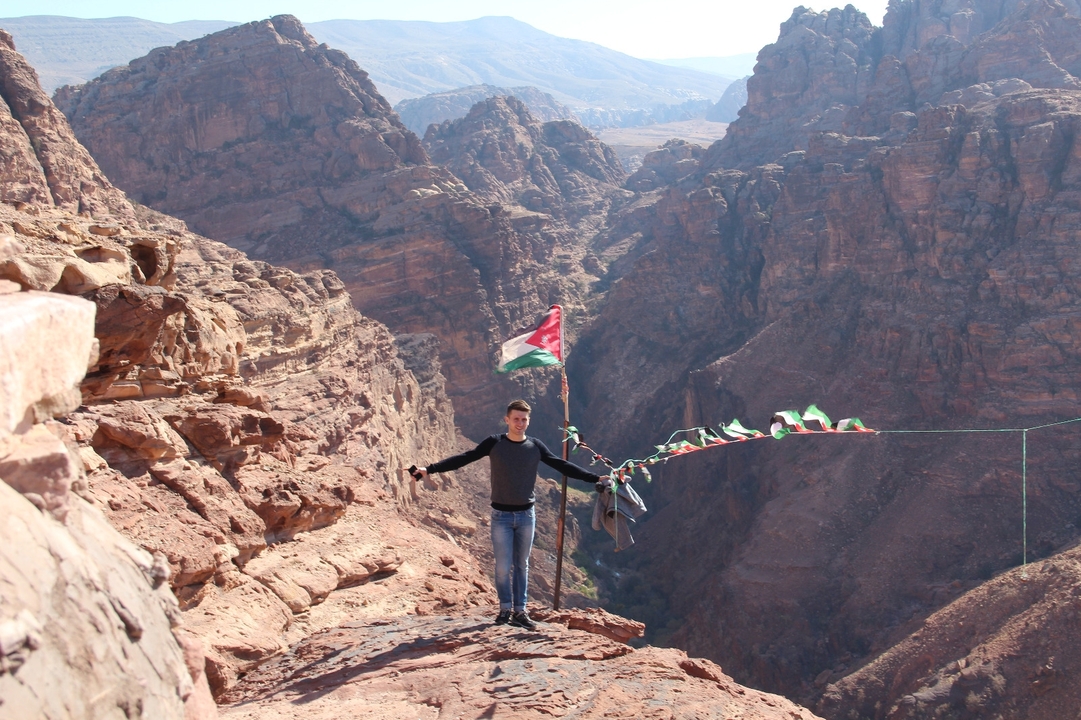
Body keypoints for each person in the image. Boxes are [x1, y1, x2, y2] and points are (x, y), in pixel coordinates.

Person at [414, 399, 604, 630]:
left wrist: (595, 478)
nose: (520, 423)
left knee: (522, 565)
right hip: (501, 517)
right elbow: (465, 457)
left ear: (528, 421)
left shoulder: (535, 446)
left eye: (524, 419)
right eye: (516, 419)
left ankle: (520, 612)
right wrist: (430, 469)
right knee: (503, 566)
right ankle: (505, 609)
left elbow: (561, 465)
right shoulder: (494, 443)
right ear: (507, 419)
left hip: (527, 515)